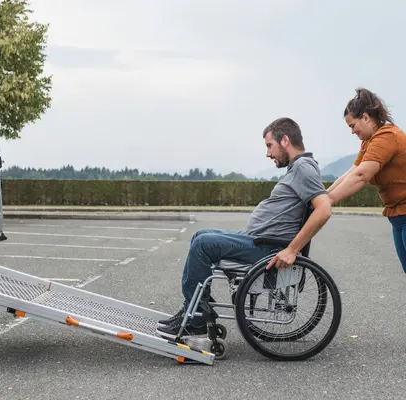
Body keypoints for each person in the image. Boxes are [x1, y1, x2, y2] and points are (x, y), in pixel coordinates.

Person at [156, 117, 333, 340]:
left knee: (202, 244)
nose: (268, 153)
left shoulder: (303, 168)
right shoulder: (299, 167)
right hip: (261, 240)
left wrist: (291, 250)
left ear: (285, 140)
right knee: (200, 235)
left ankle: (197, 318)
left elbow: (324, 209)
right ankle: (195, 308)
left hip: (268, 247)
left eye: (270, 146)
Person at [327, 88, 406, 272]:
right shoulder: (369, 141)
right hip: (398, 217)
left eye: (352, 125)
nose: (352, 131)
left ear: (365, 117)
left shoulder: (387, 136)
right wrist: (323, 195)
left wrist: (327, 201)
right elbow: (352, 172)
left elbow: (361, 176)